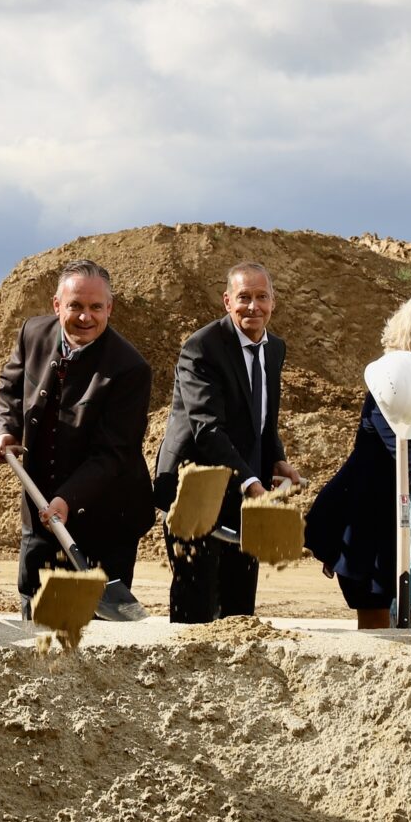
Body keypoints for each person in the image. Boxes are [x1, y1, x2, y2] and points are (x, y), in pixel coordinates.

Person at [0, 260, 155, 601]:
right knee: (36, 610)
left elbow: (113, 453)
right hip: (40, 502)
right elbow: (10, 387)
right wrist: (7, 429)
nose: (85, 317)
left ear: (110, 307)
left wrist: (67, 498)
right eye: (75, 306)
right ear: (56, 305)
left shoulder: (130, 369)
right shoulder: (32, 333)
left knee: (93, 623)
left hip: (108, 515)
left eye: (96, 307)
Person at [305, 293, 411, 628]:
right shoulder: (387, 379)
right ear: (405, 341)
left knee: (410, 628)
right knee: (377, 630)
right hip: (370, 518)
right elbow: (401, 449)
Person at [152, 262, 299, 623]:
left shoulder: (275, 349)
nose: (253, 307)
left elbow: (262, 418)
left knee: (239, 606)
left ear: (273, 302)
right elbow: (207, 429)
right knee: (196, 600)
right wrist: (252, 483)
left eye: (261, 297)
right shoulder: (201, 348)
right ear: (227, 301)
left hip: (242, 484)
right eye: (244, 298)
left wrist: (276, 459)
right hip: (194, 486)